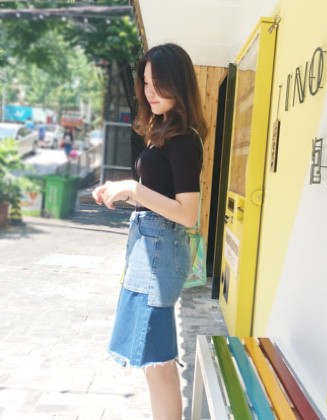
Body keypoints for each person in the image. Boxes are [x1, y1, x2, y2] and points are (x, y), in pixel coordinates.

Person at [92, 43, 207, 420]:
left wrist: (133, 189)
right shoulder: (165, 131)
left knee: (157, 360)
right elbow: (160, 197)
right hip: (149, 248)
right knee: (151, 359)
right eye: (145, 82)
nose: (149, 90)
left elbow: (187, 213)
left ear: (179, 81)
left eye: (158, 81)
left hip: (159, 254)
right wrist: (122, 192)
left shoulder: (183, 138)